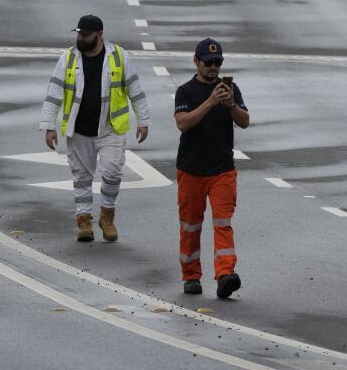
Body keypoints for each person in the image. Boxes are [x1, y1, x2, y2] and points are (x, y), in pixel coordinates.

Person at [40, 15, 150, 243]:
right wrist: (48, 126)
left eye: (85, 34)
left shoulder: (118, 57)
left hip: (110, 128)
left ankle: (107, 217)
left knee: (112, 173)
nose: (80, 38)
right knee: (81, 177)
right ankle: (83, 220)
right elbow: (54, 93)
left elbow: (135, 90)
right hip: (79, 129)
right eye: (79, 33)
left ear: (99, 35)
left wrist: (143, 120)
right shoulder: (68, 58)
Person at [174, 37, 249, 298]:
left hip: (222, 170)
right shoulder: (185, 91)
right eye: (209, 62)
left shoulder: (231, 90)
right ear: (197, 62)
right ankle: (191, 275)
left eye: (218, 63)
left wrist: (230, 104)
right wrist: (209, 103)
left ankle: (225, 274)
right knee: (191, 226)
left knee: (223, 222)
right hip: (191, 169)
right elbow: (183, 123)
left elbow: (245, 121)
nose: (213, 67)